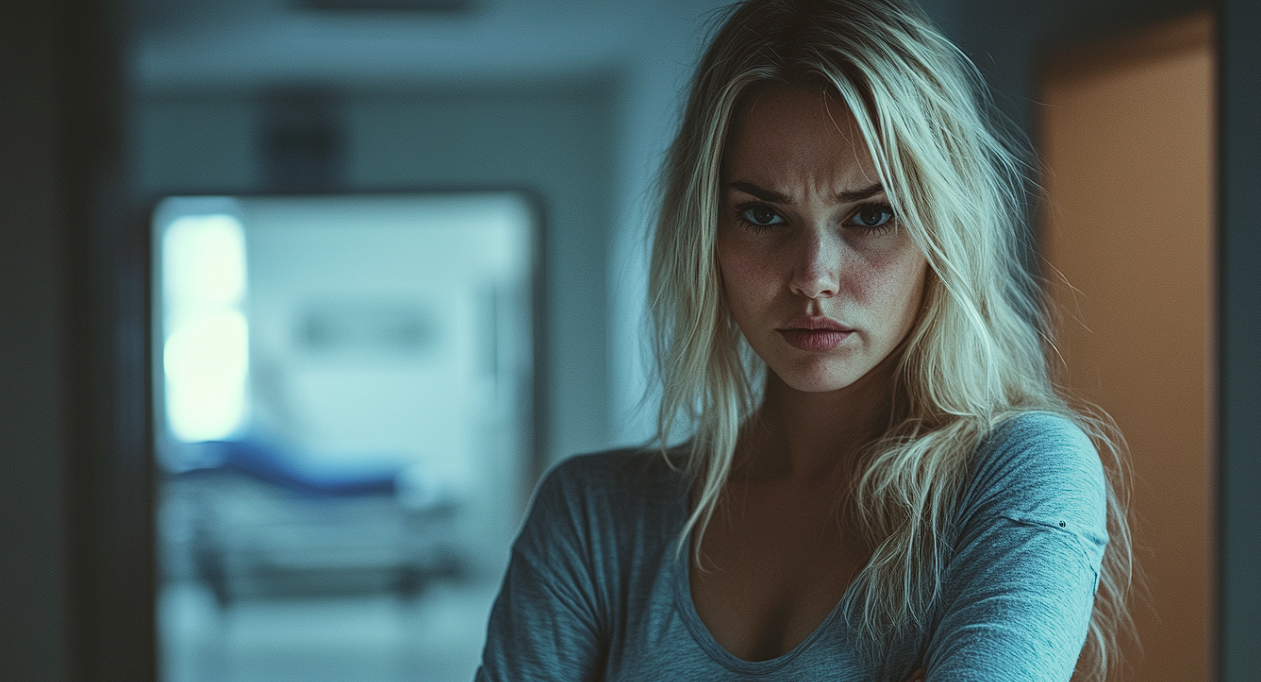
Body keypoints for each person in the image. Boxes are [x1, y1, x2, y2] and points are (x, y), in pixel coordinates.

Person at [476, 0, 1134, 679]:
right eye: (763, 215)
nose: (812, 278)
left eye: (870, 215)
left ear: (944, 233)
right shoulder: (590, 516)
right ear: (707, 234)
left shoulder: (1016, 475)